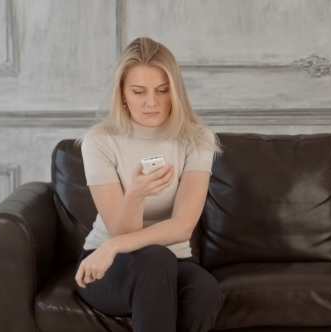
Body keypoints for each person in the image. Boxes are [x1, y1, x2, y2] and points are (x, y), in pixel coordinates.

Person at [74, 37, 224, 332]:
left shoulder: (197, 139)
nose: (151, 102)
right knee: (155, 257)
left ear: (175, 93)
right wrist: (135, 195)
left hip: (172, 259)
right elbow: (121, 233)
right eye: (139, 91)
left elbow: (182, 227)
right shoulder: (99, 142)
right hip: (110, 267)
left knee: (204, 291)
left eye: (162, 91)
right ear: (123, 94)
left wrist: (112, 245)